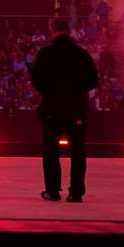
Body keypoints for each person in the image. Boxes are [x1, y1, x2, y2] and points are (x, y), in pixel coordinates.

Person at [31, 18, 99, 203]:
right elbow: (93, 80)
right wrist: (75, 90)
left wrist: (52, 91)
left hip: (52, 107)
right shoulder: (81, 54)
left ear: (52, 29)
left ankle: (52, 191)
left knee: (51, 151)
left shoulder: (45, 53)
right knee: (78, 151)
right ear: (69, 30)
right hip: (76, 108)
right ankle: (76, 192)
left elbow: (36, 80)